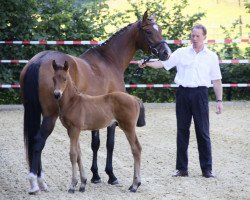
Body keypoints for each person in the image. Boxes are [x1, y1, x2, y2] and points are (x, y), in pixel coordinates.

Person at [138, 24, 223, 178]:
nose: (195, 39)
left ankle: (207, 169)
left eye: (198, 36)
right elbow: (163, 64)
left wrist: (219, 100)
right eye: (193, 36)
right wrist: (147, 63)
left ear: (204, 37)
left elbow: (216, 80)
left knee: (203, 132)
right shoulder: (181, 52)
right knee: (182, 131)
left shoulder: (211, 56)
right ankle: (181, 169)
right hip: (183, 94)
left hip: (200, 95)